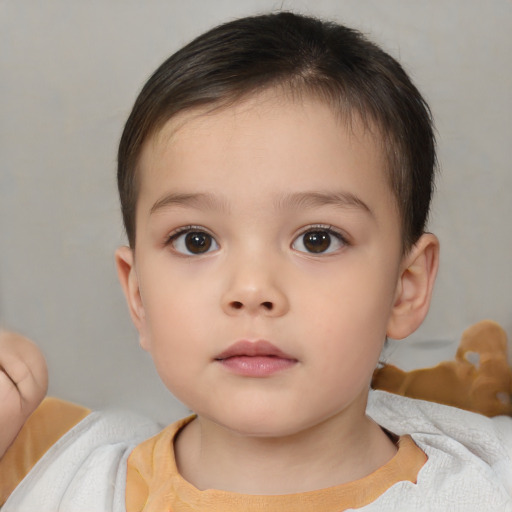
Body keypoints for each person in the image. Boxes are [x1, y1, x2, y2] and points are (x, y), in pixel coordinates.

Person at [1, 11, 511, 512]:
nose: (251, 288)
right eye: (196, 240)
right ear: (138, 295)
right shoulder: (54, 471)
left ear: (406, 286)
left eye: (317, 240)